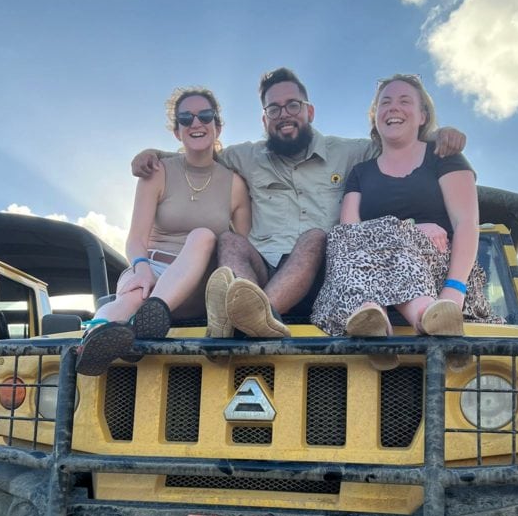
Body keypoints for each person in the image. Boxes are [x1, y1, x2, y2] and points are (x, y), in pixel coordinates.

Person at [131, 67, 466, 338]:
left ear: (309, 111)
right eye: (273, 109)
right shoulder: (244, 157)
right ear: (264, 120)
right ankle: (248, 306)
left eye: (293, 105)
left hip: (319, 274)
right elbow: (200, 151)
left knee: (316, 236)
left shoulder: (349, 152)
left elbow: (398, 141)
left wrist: (437, 135)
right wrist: (155, 156)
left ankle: (248, 320)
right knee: (230, 240)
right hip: (262, 269)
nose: (284, 114)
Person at [310, 74, 500, 338]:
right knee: (342, 238)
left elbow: (466, 223)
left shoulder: (444, 157)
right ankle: (371, 316)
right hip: (368, 277)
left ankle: (428, 316)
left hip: (441, 276)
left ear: (423, 116)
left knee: (384, 235)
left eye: (404, 100)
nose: (393, 108)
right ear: (376, 118)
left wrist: (454, 288)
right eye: (385, 102)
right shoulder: (360, 173)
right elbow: (350, 236)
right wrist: (410, 227)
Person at [77, 87, 250, 375]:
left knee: (204, 235)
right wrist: (141, 267)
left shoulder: (236, 186)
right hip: (152, 267)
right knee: (131, 296)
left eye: (205, 115)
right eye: (186, 118)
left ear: (218, 126)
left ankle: (145, 320)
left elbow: (239, 247)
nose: (196, 123)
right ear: (177, 131)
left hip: (197, 287)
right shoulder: (157, 171)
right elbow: (135, 238)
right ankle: (96, 336)